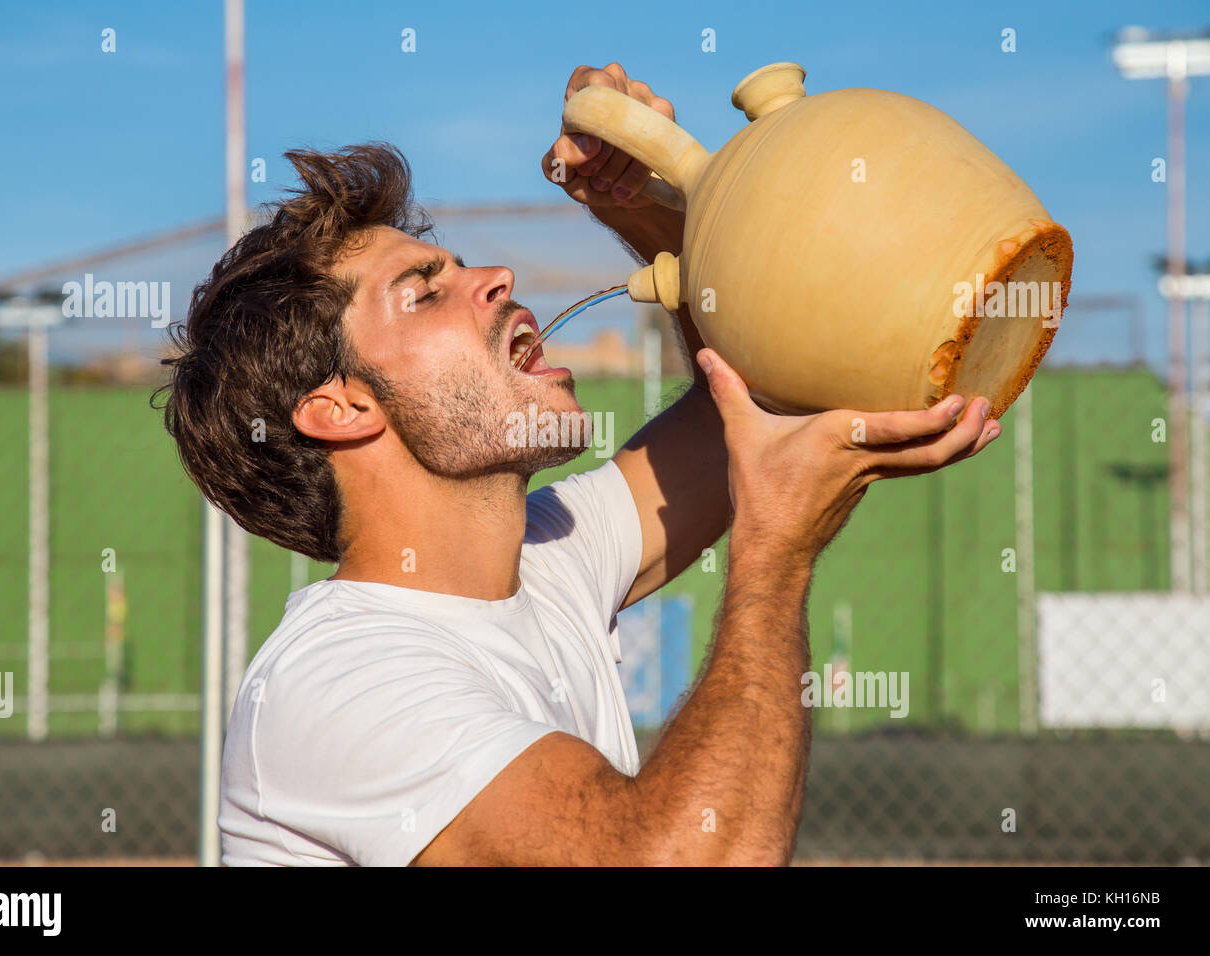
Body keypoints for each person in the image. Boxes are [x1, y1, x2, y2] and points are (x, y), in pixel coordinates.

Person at [157, 63, 1000, 866]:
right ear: (340, 409)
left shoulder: (546, 558)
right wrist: (774, 560)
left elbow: (757, 393)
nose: (496, 276)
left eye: (460, 267)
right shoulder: (339, 683)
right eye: (424, 291)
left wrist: (645, 207)